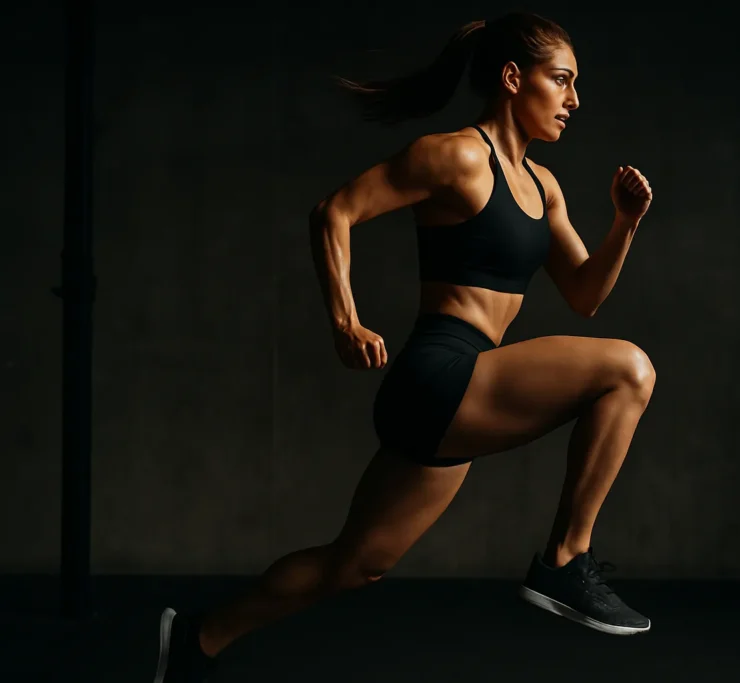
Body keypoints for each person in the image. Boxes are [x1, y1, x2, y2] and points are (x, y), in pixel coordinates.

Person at [152, 12, 655, 682]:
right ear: (513, 78)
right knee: (629, 369)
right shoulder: (455, 157)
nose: (574, 100)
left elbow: (585, 294)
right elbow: (334, 211)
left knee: (355, 565)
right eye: (561, 80)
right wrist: (346, 322)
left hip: (458, 394)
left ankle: (197, 638)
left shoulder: (544, 185)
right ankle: (566, 558)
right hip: (441, 375)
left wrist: (624, 224)